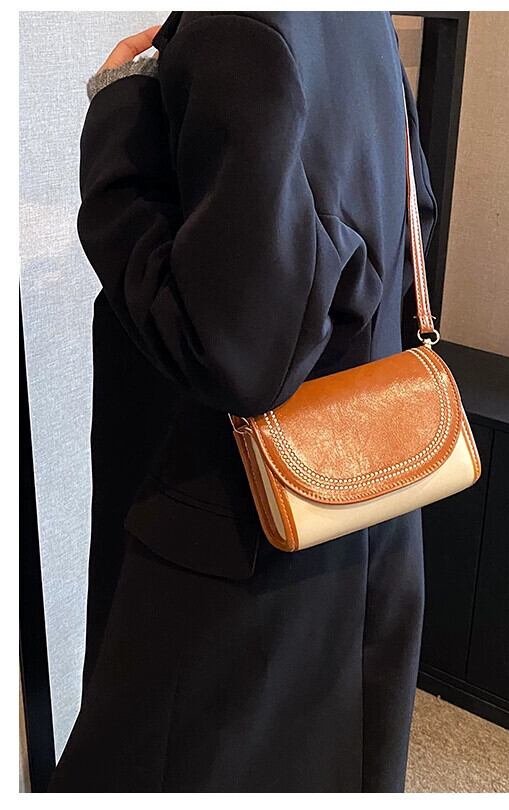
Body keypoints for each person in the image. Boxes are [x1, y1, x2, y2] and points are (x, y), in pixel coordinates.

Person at [49, 11, 437, 793]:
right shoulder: (361, 21)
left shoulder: (240, 29)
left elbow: (235, 354)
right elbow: (412, 218)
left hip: (235, 552)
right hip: (365, 511)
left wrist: (119, 113)